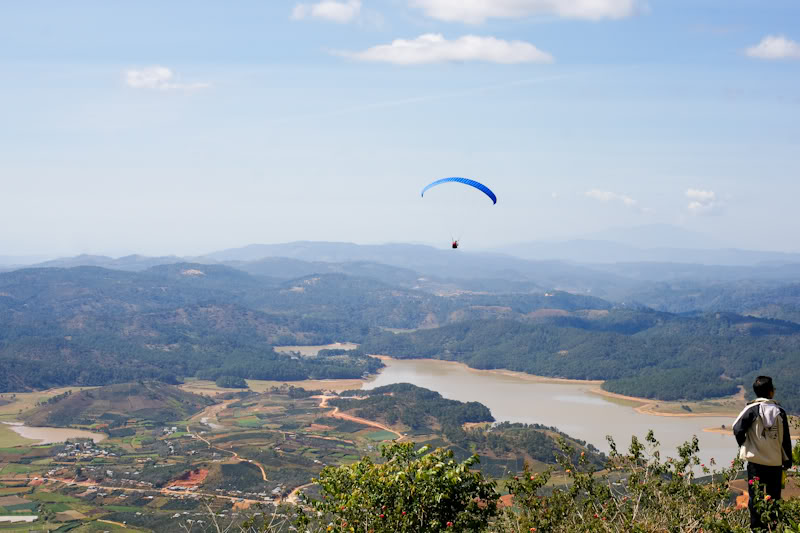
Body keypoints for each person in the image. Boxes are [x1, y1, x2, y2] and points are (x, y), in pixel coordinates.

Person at [733, 376, 793, 530]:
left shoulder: (751, 409)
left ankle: (757, 529)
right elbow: (785, 439)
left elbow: (737, 428)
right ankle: (773, 527)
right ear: (771, 392)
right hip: (774, 463)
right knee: (774, 499)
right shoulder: (780, 411)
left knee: (755, 498)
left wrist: (745, 445)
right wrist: (787, 461)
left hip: (756, 463)